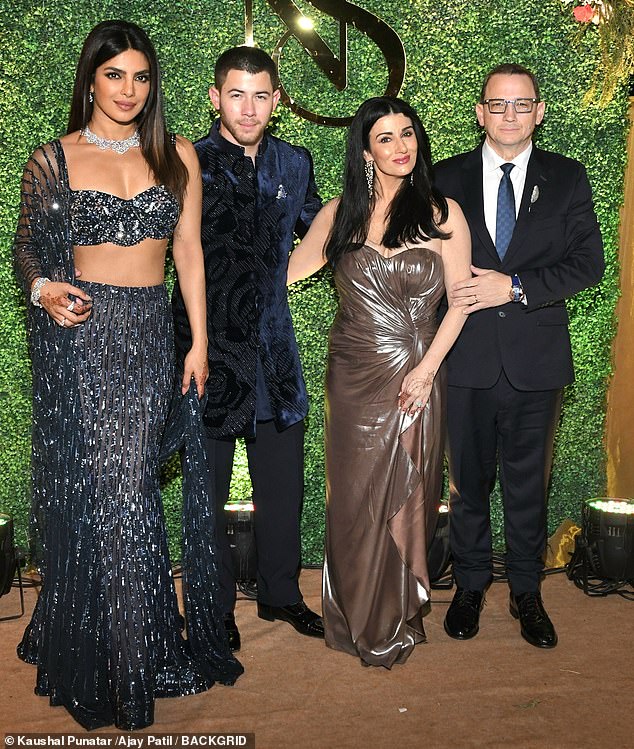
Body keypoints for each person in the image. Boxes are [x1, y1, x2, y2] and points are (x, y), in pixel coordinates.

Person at [13, 20, 242, 731]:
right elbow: (25, 253)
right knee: (107, 500)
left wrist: (197, 343)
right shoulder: (52, 160)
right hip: (81, 345)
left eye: (141, 78)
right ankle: (118, 662)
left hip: (147, 339)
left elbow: (192, 256)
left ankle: (126, 647)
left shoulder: (175, 155)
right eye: (116, 76)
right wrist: (45, 289)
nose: (129, 90)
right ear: (90, 79)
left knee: (132, 492)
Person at [287, 96, 471, 667]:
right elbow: (287, 273)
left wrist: (425, 369)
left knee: (409, 497)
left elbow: (461, 302)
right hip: (351, 376)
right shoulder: (341, 212)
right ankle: (354, 614)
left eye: (408, 133)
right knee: (352, 500)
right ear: (366, 151)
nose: (401, 147)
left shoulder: (443, 213)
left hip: (417, 372)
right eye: (386, 138)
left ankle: (397, 615)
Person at [434, 63, 604, 648]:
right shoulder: (442, 177)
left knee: (529, 484)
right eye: (497, 104)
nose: (509, 114)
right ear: (479, 112)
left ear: (537, 112)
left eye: (521, 104)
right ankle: (472, 585)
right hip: (466, 358)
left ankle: (527, 592)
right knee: (468, 484)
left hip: (537, 359)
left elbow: (588, 264)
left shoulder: (567, 178)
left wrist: (517, 286)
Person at [172, 46, 324, 652]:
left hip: (274, 352)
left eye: (261, 95)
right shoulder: (190, 162)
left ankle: (282, 594)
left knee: (283, 482)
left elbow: (319, 226)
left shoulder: (295, 161)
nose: (249, 107)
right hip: (204, 346)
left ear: (278, 101)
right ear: (216, 98)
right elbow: (175, 250)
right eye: (236, 94)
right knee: (204, 488)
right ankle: (211, 607)